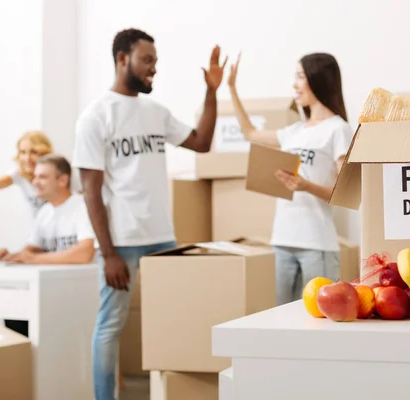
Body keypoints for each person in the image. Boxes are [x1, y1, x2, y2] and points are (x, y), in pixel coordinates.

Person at [72, 28, 227, 399]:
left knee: (173, 320)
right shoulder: (95, 117)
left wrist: (211, 91)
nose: (153, 69)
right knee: (110, 326)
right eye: (147, 61)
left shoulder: (155, 112)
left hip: (162, 238)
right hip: (121, 241)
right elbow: (91, 192)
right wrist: (107, 253)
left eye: (155, 62)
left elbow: (201, 143)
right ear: (123, 59)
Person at [227, 52, 354, 306]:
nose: (294, 85)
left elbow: (346, 193)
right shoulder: (294, 132)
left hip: (316, 244)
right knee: (283, 319)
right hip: (283, 240)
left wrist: (305, 186)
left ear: (318, 79)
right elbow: (250, 133)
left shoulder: (338, 129)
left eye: (299, 77)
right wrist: (231, 88)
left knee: (320, 318)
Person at [0, 154, 96, 337]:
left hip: (79, 290)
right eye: (35, 176)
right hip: (54, 289)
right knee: (14, 307)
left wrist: (33, 258)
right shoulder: (45, 213)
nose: (34, 182)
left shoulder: (82, 207)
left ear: (63, 180)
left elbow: (85, 253)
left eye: (42, 177)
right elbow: (31, 249)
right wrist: (13, 255)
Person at [0, 131, 53, 216]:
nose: (27, 158)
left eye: (34, 152)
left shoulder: (58, 174)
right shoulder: (19, 174)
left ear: (44, 152)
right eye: (23, 152)